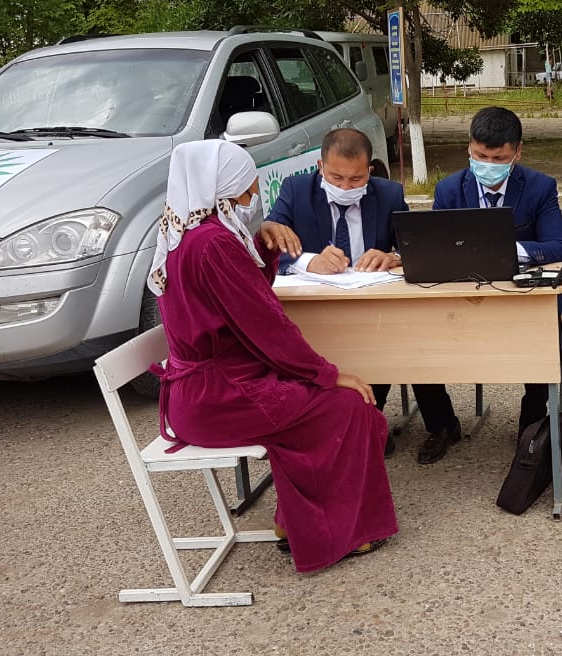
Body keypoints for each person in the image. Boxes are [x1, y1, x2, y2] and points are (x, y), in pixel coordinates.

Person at [150, 140, 397, 571]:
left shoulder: (187, 232)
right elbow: (264, 325)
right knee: (350, 407)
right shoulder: (213, 244)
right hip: (222, 395)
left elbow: (243, 304)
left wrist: (263, 246)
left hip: (205, 391)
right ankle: (331, 532)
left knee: (338, 410)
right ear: (222, 189)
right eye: (247, 190)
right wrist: (326, 373)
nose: (252, 199)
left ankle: (296, 522)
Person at [408, 107, 562, 464]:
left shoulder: (540, 187)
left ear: (518, 152)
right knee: (415, 342)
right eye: (481, 156)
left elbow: (560, 246)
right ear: (469, 148)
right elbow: (436, 248)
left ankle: (531, 422)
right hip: (461, 300)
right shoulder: (450, 189)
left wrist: (507, 250)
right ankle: (442, 424)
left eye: (499, 158)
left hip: (520, 303)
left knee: (543, 345)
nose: (488, 164)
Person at [262, 128, 407, 455]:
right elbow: (268, 244)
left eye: (356, 180)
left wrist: (393, 257)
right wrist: (309, 261)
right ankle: (332, 420)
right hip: (318, 309)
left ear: (369, 171)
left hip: (374, 307)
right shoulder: (296, 191)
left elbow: (416, 245)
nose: (345, 187)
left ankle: (369, 416)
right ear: (320, 166)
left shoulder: (388, 194)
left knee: (387, 343)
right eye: (336, 177)